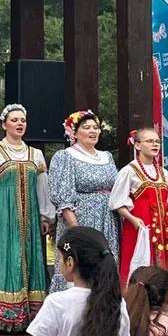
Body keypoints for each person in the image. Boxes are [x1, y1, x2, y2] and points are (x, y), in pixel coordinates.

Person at [0, 104, 54, 333]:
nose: (20, 124)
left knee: (30, 256)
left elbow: (42, 187)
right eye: (14, 120)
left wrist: (45, 215)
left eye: (23, 120)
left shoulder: (35, 154)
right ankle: (1, 314)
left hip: (29, 215)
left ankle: (29, 313)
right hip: (2, 214)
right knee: (3, 256)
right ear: (4, 124)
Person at [112, 127, 168, 324]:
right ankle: (138, 314)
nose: (155, 144)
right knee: (142, 266)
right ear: (137, 145)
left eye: (157, 141)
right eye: (149, 141)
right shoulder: (129, 171)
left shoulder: (163, 173)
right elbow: (117, 203)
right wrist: (133, 219)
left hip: (166, 230)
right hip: (141, 229)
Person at [48, 109, 120, 293]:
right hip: (81, 220)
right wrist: (77, 230)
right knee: (81, 264)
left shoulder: (107, 157)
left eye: (95, 127)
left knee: (105, 265)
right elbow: (63, 197)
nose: (92, 131)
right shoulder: (65, 157)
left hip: (107, 220)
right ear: (74, 132)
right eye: (86, 127)